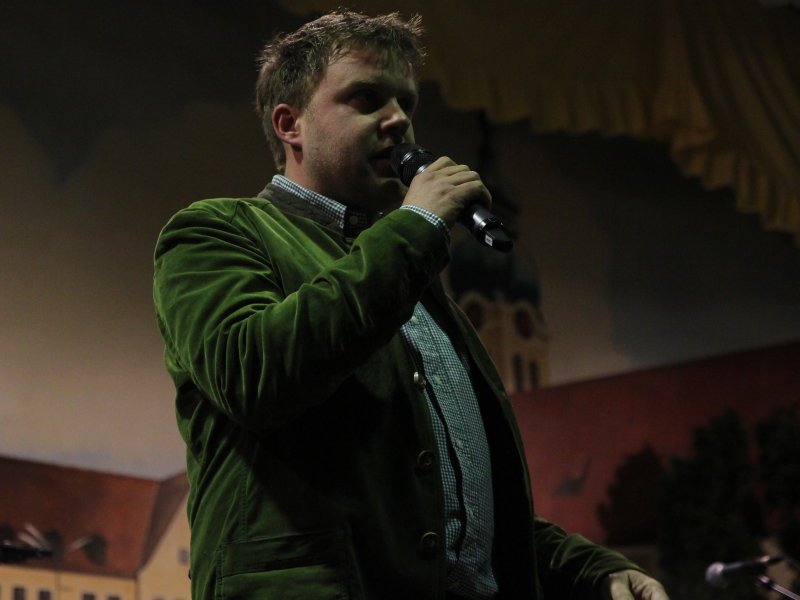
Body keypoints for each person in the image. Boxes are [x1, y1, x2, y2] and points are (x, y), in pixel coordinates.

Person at [153, 10, 670, 600]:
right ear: (290, 124)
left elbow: (455, 511)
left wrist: (590, 570)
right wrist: (417, 225)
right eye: (367, 98)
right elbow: (253, 376)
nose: (399, 119)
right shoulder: (216, 232)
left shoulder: (411, 281)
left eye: (406, 102)